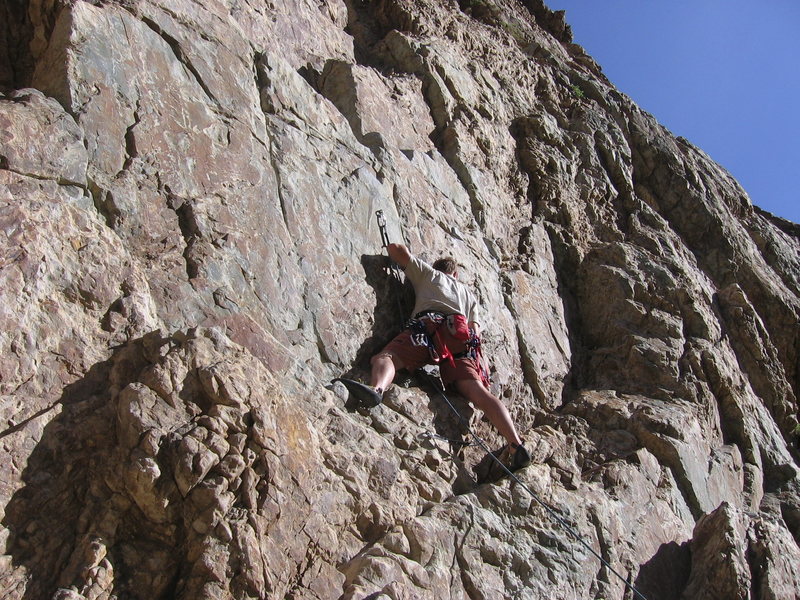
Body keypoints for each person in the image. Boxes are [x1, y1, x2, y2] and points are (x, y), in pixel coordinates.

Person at [367, 243, 531, 470]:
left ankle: (376, 390)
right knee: (479, 394)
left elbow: (399, 251)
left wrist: (389, 245)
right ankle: (516, 444)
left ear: (439, 269)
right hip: (460, 340)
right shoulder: (468, 295)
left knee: (386, 357)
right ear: (456, 274)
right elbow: (476, 330)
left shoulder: (430, 274)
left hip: (427, 331)